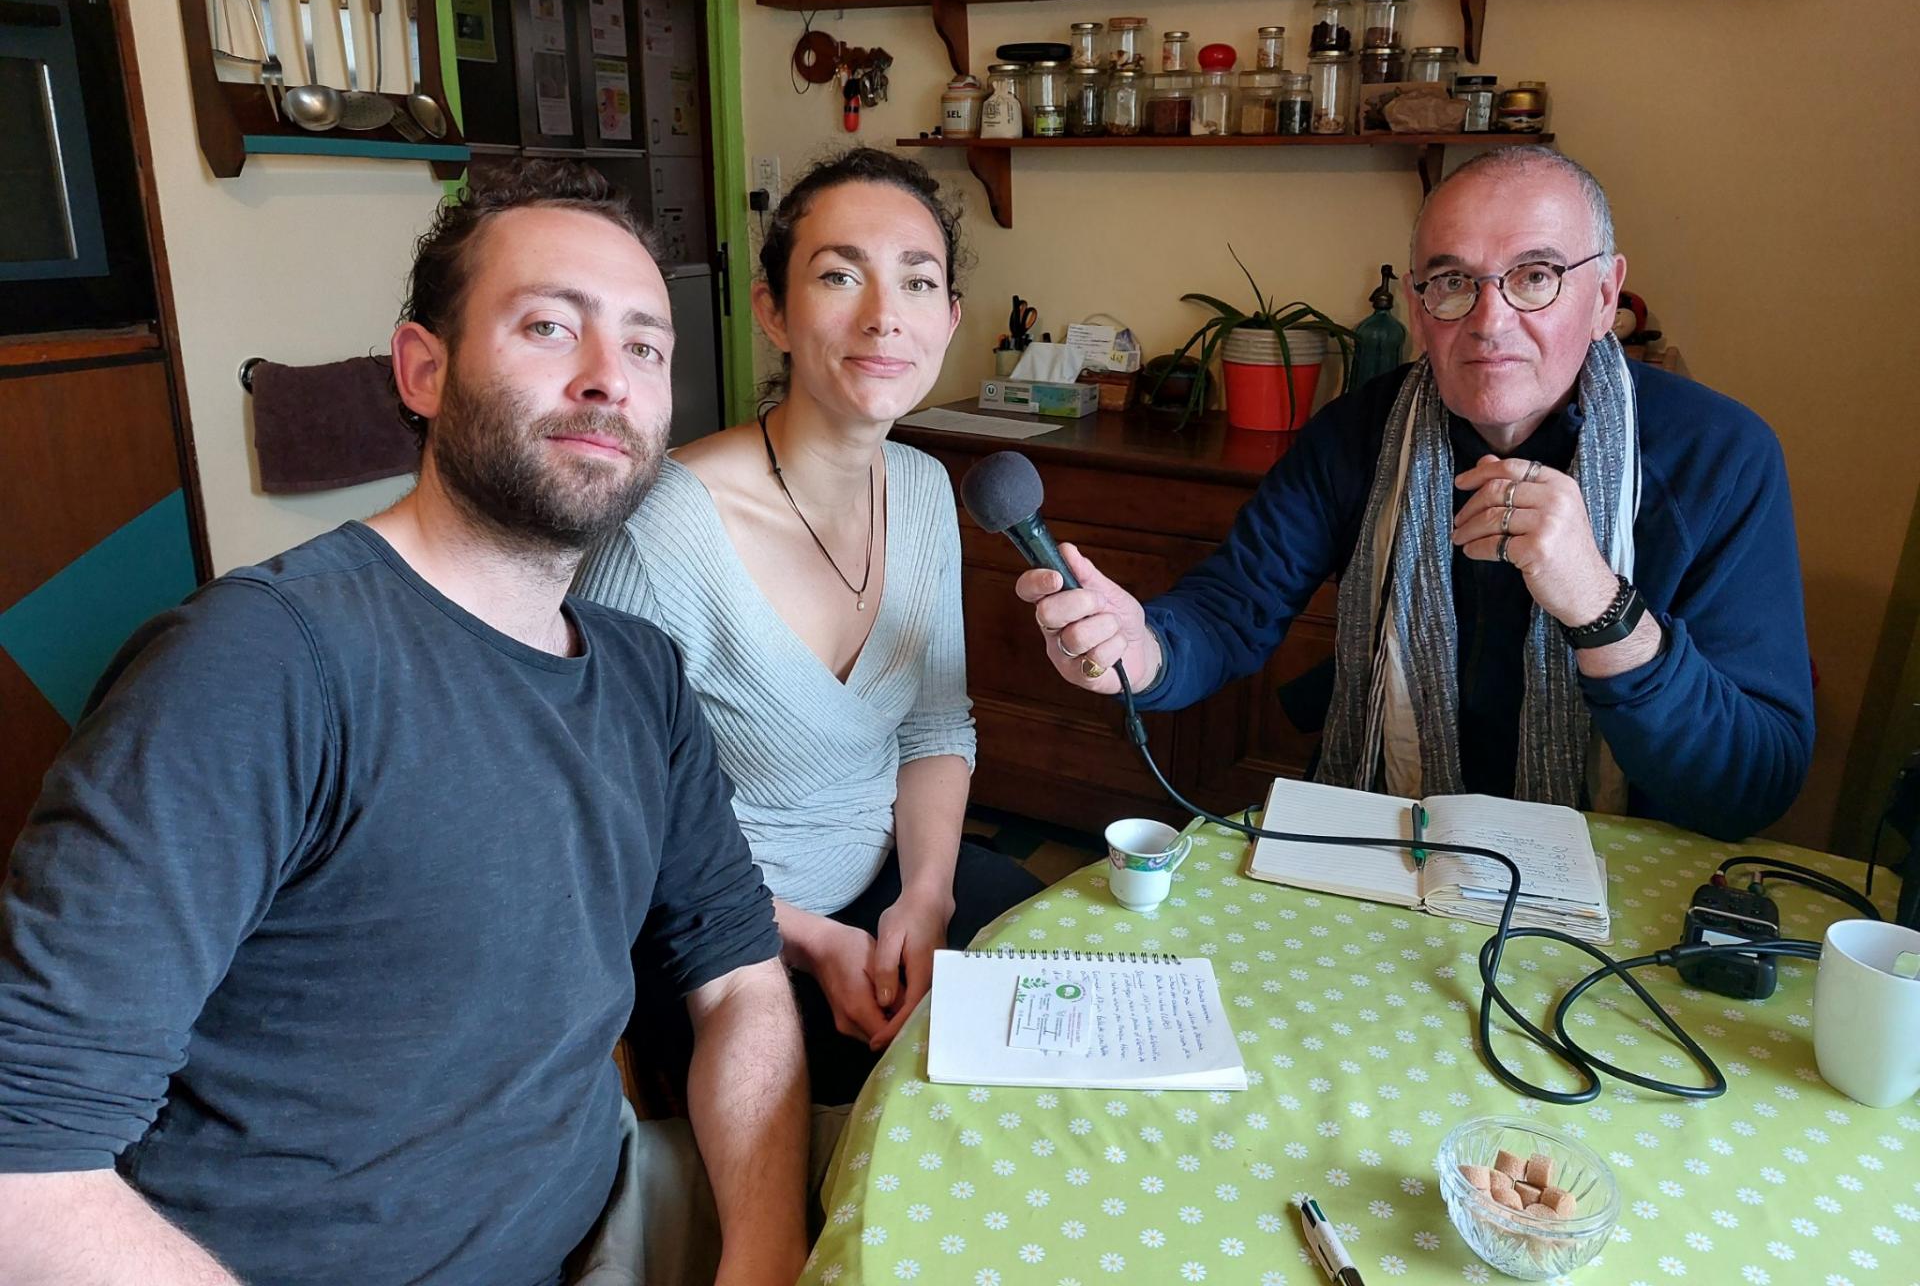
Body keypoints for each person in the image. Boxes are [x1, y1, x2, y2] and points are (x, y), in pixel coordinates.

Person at [0, 162, 810, 1286]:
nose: (606, 381)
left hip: (596, 1226)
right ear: (423, 371)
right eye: (546, 327)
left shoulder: (641, 676)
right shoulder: (262, 664)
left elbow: (738, 978)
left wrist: (765, 1261)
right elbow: (24, 1169)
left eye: (644, 347)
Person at [1018, 146, 1812, 839]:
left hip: (1626, 874)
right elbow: (1232, 611)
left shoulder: (1721, 457)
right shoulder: (1355, 433)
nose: (1490, 321)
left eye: (1535, 277)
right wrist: (1139, 650)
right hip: (1385, 838)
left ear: (1605, 296)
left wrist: (1600, 605)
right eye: (1453, 281)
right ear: (1417, 305)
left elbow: (1755, 785)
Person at [577, 148, 1040, 1105]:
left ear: (950, 318)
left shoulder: (919, 491)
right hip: (723, 940)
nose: (884, 316)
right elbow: (609, 827)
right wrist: (816, 940)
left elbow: (933, 728)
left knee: (1071, 1016)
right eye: (839, 276)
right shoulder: (662, 534)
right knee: (938, 1114)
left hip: (892, 891)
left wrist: (928, 894)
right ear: (774, 312)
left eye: (918, 282)